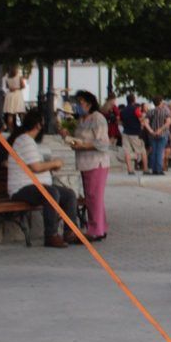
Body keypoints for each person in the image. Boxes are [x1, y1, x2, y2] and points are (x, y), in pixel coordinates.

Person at [6, 110, 78, 248]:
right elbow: (36, 167)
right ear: (38, 125)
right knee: (51, 193)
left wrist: (50, 166)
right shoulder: (25, 141)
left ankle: (70, 233)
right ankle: (50, 235)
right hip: (21, 188)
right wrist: (55, 163)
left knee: (69, 195)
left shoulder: (29, 141)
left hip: (36, 185)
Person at [64, 90, 110, 241]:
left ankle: (95, 230)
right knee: (93, 197)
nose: (78, 105)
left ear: (89, 104)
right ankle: (101, 227)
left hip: (96, 162)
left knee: (94, 197)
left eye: (81, 102)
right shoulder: (81, 120)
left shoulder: (97, 118)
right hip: (84, 163)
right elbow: (78, 139)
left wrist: (83, 145)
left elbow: (102, 143)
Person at [119, 94, 146, 174]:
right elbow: (141, 119)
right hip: (135, 133)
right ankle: (145, 169)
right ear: (134, 100)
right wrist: (144, 119)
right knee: (142, 150)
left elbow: (120, 121)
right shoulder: (136, 109)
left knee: (127, 151)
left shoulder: (123, 110)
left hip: (125, 133)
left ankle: (130, 170)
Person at [146, 96, 170, 175]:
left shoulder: (150, 112)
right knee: (160, 151)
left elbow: (146, 123)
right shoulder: (165, 111)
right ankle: (159, 169)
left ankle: (154, 169)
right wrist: (160, 130)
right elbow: (168, 123)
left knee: (154, 151)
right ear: (160, 102)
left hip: (152, 135)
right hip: (163, 134)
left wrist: (151, 131)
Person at [1, 65, 26, 131]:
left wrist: (11, 88)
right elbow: (23, 86)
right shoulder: (19, 76)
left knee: (10, 114)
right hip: (17, 95)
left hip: (10, 95)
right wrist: (17, 88)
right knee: (20, 112)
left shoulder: (7, 76)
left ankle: (11, 129)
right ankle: (23, 128)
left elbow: (7, 86)